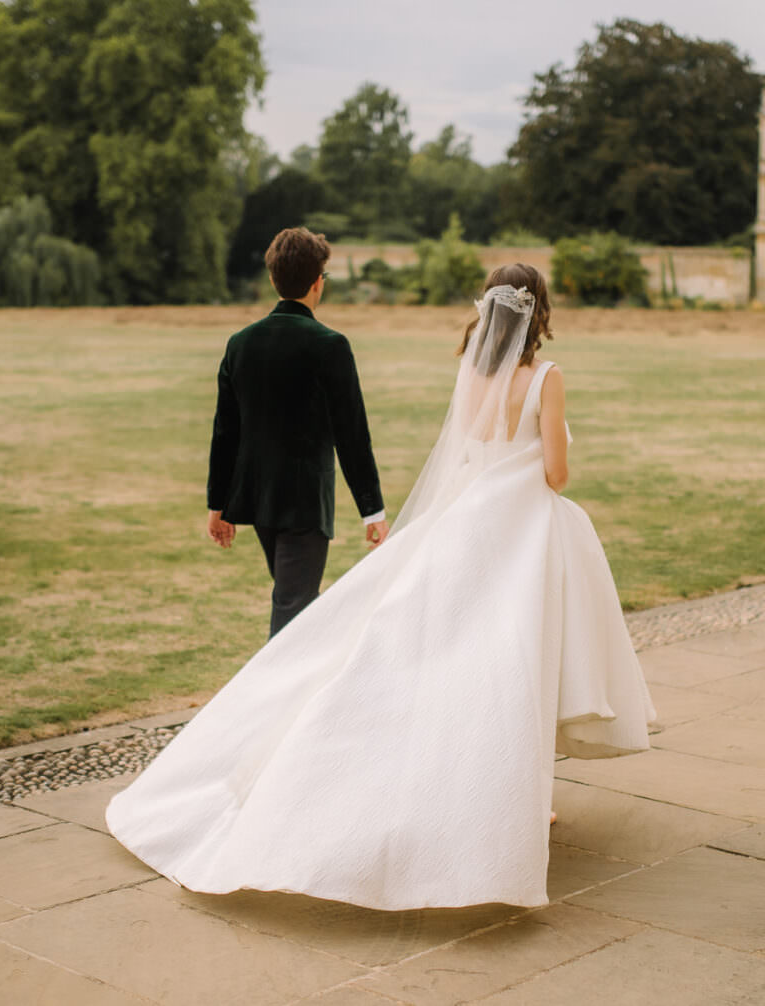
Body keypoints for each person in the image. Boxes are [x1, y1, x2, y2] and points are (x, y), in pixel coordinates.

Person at [107, 263, 655, 911]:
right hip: (524, 534)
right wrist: (556, 440)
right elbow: (557, 475)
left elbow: (464, 455)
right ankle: (520, 803)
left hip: (464, 528)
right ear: (540, 315)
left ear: (487, 312)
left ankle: (490, 795)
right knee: (516, 666)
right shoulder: (547, 379)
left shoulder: (470, 373)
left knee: (458, 663)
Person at [206, 226, 388, 638]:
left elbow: (225, 433)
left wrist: (218, 504)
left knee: (299, 605)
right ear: (317, 283)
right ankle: (272, 701)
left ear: (273, 279)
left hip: (259, 501)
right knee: (293, 610)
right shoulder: (330, 345)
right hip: (305, 505)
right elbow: (352, 434)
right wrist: (372, 511)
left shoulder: (240, 344)